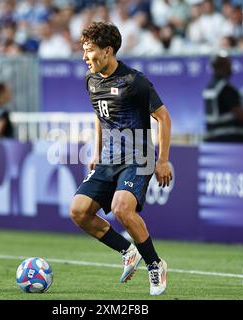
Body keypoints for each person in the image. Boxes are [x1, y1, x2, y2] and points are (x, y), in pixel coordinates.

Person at [69, 22, 173, 296]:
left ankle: (155, 264)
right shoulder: (91, 80)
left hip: (138, 156)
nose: (84, 57)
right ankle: (127, 251)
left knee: (122, 208)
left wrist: (162, 160)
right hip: (108, 159)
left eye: (89, 51)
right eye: (83, 50)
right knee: (79, 211)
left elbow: (163, 117)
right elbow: (99, 115)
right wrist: (96, 150)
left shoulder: (134, 81)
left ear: (108, 51)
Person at [203, 52, 243, 143]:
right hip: (231, 138)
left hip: (212, 137)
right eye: (228, 65)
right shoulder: (226, 89)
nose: (231, 68)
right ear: (222, 67)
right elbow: (239, 114)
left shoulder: (209, 87)